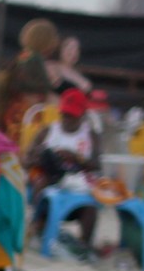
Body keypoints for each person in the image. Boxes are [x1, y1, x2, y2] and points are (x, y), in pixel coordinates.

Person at [27, 86, 100, 243]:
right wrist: (43, 156)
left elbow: (97, 165)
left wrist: (76, 158)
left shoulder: (90, 135)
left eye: (72, 116)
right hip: (50, 180)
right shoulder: (48, 131)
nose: (67, 119)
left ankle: (83, 245)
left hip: (79, 186)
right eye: (64, 115)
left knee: (91, 204)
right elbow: (26, 160)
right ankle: (38, 227)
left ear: (82, 115)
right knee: (41, 182)